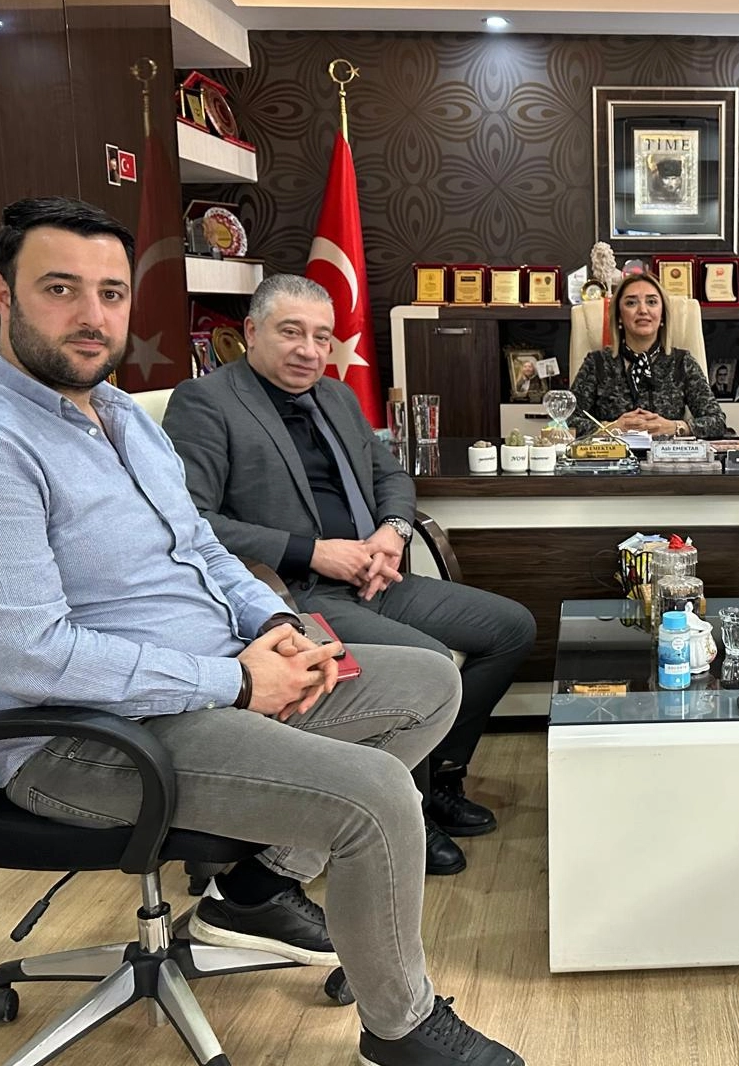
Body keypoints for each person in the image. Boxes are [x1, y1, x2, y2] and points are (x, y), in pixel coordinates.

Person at [0, 196, 522, 1066]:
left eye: (112, 293)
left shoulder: (118, 418)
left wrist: (281, 624)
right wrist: (238, 681)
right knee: (376, 796)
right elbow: (31, 657)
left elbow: (202, 550)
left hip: (207, 679)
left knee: (427, 684)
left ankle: (256, 889)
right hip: (85, 738)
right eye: (60, 289)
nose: (92, 315)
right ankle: (402, 1030)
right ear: (3, 296)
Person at [163, 273, 536, 877]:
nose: (309, 350)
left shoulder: (335, 396)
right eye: (291, 332)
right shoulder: (206, 402)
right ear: (251, 331)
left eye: (322, 337)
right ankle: (406, 808)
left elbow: (391, 476)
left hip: (374, 577)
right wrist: (310, 552)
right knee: (429, 663)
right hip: (291, 595)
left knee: (510, 627)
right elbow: (192, 522)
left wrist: (394, 531)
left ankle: (440, 777)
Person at [571, 271, 727, 437]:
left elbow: (717, 422)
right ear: (619, 316)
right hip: (613, 453)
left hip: (666, 453)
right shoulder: (597, 363)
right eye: (631, 303)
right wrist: (610, 428)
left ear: (662, 316)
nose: (643, 310)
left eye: (651, 302)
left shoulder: (682, 362)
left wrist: (675, 427)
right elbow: (565, 421)